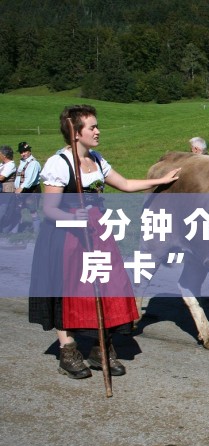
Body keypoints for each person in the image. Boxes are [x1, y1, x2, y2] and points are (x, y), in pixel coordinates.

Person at [28, 105, 180, 380]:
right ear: (76, 132)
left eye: (97, 126)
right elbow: (49, 209)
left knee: (109, 286)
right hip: (67, 236)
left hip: (97, 232)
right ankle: (68, 352)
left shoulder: (96, 159)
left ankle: (100, 347)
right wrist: (74, 218)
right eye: (92, 127)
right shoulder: (58, 164)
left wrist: (162, 180)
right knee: (69, 291)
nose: (98, 131)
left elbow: (125, 184)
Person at [13, 141, 42, 234]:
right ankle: (16, 231)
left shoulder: (34, 163)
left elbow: (30, 179)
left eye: (25, 151)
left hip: (31, 191)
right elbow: (19, 177)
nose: (23, 154)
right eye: (21, 152)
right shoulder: (22, 162)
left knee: (32, 211)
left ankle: (37, 232)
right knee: (17, 209)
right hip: (20, 190)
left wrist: (21, 188)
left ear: (29, 151)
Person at [0, 146, 17, 232]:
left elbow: (1, 177)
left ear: (4, 155)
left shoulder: (11, 165)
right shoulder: (2, 164)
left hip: (7, 190)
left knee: (3, 209)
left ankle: (5, 229)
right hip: (2, 190)